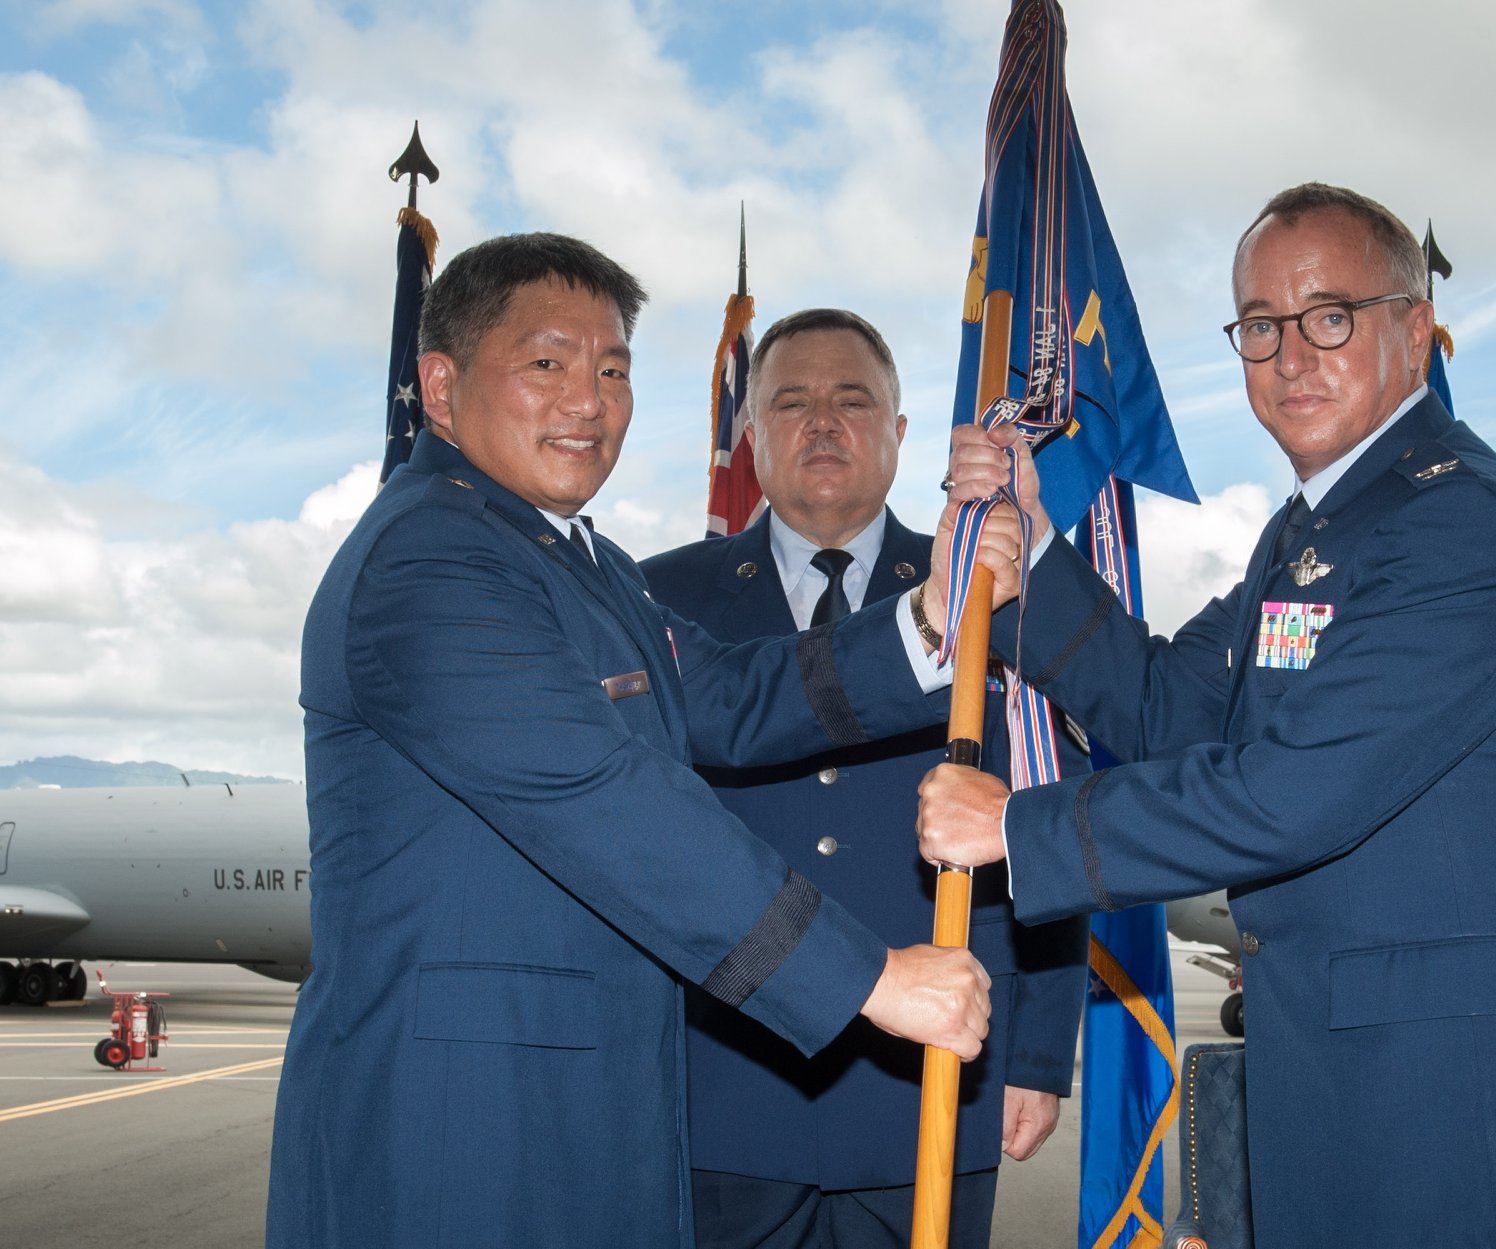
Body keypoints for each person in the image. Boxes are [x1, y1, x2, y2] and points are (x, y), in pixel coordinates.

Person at [268, 234, 1031, 1249]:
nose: (588, 400)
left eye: (613, 369)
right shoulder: (429, 563)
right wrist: (871, 979)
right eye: (547, 364)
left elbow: (727, 692)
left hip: (592, 1108)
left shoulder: (585, 565)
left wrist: (931, 615)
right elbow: (605, 797)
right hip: (464, 1122)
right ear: (440, 387)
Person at [923, 184, 1496, 1249]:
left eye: (1328, 316)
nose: (1289, 355)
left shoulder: (1456, 528)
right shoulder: (1312, 533)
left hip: (1461, 1103)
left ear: (1410, 330)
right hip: (1339, 1073)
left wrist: (1020, 827)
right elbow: (1176, 706)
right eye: (1259, 325)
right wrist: (1031, 551)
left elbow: (1295, 790)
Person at [641, 309, 1087, 1249]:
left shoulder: (990, 589)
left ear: (900, 433)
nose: (824, 422)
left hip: (931, 1077)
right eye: (792, 402)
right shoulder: (656, 600)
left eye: (853, 400)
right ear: (751, 435)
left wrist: (1038, 1051)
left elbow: (1048, 817)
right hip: (724, 1080)